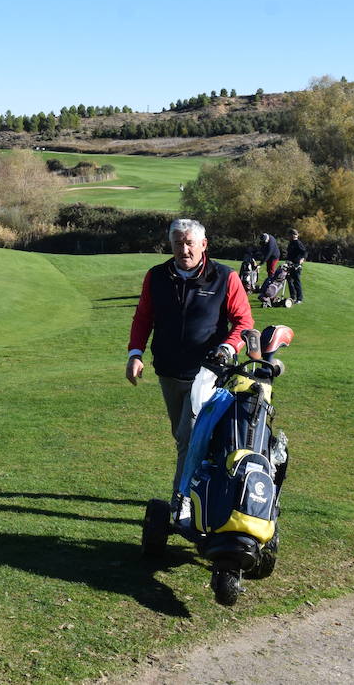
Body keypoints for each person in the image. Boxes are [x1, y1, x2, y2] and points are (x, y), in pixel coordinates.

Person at [126, 218, 254, 523]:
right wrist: (135, 353)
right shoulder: (157, 276)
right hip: (169, 370)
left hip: (208, 372)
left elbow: (243, 322)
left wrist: (228, 348)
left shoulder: (225, 277)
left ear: (203, 245)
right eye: (177, 243)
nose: (183, 249)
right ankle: (206, 484)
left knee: (188, 437)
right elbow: (144, 317)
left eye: (189, 243)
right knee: (182, 435)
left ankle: (181, 502)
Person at [287, 228, 307, 304]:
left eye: (290, 235)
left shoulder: (297, 243)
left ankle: (299, 298)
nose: (289, 237)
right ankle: (292, 297)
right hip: (290, 264)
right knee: (289, 280)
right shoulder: (291, 243)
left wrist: (302, 259)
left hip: (296, 265)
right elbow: (289, 254)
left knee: (296, 282)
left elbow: (304, 252)